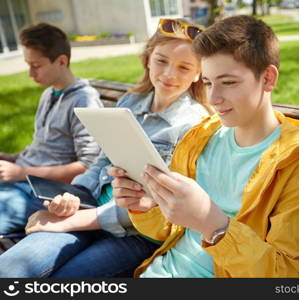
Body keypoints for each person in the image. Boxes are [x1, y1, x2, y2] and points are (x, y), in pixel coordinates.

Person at [111, 15, 299, 278]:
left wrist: (213, 224)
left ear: (268, 79)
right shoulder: (201, 137)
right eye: (208, 83)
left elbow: (287, 275)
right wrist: (147, 205)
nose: (214, 98)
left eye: (228, 83)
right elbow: (169, 230)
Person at [0, 18, 211, 278]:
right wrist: (72, 195)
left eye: (184, 67)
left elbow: (163, 201)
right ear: (148, 59)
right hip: (87, 207)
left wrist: (77, 219)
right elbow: (101, 162)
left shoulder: (195, 124)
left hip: (136, 232)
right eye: (161, 61)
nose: (169, 74)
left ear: (199, 73)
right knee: (10, 270)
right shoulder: (131, 102)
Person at [0, 23, 102, 235]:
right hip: (20, 180)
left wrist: (21, 173)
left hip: (38, 191)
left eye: (36, 65)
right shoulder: (49, 94)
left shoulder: (84, 100)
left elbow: (87, 166)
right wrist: (11, 158)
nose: (30, 73)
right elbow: (43, 147)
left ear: (61, 61)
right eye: (28, 64)